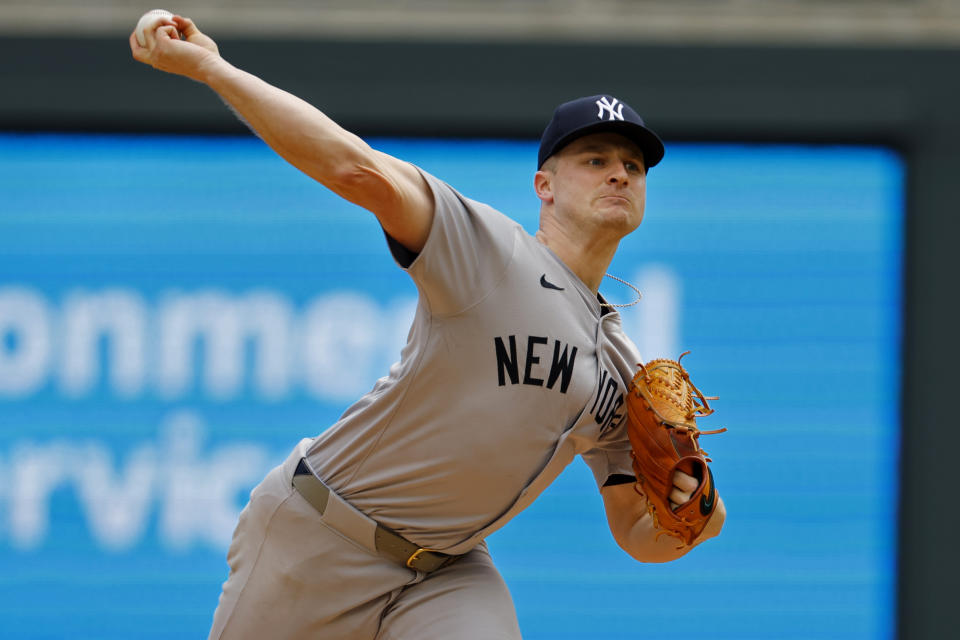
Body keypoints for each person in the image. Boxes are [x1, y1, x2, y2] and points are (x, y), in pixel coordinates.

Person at [130, 14, 725, 640]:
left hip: (447, 572)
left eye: (634, 165)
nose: (619, 174)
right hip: (320, 535)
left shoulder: (623, 372)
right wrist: (210, 67)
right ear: (543, 185)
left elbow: (637, 533)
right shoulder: (489, 250)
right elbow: (355, 169)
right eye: (595, 158)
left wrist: (695, 509)